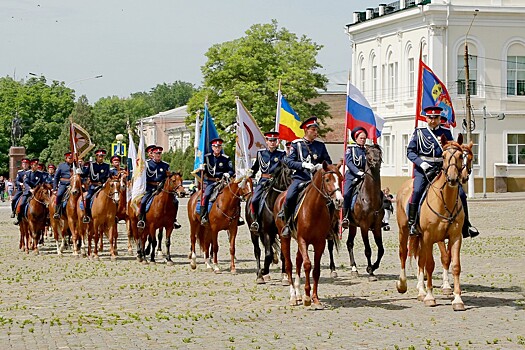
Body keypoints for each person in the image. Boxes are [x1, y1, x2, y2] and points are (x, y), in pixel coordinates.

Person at [407, 106, 479, 238]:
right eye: (430, 118)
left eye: (436, 118)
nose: (433, 120)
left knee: (461, 194)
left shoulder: (446, 132)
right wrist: (421, 163)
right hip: (423, 169)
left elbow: (453, 149)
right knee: (417, 190)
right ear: (426, 118)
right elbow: (410, 152)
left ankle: (466, 225)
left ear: (440, 119)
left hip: (442, 168)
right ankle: (412, 223)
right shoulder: (419, 133)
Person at [279, 116, 332, 237]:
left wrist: (321, 166)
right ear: (306, 130)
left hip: (317, 181)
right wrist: (303, 165)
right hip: (301, 178)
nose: (315, 132)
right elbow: (289, 161)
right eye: (313, 129)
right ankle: (288, 223)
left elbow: (328, 161)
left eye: (316, 130)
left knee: (331, 199)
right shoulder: (296, 144)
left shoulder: (320, 146)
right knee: (290, 197)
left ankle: (330, 226)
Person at [249, 131, 286, 233]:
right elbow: (256, 167)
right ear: (266, 141)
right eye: (270, 140)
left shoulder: (281, 154)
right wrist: (250, 173)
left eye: (274, 141)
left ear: (277, 142)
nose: (272, 143)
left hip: (277, 181)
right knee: (254, 199)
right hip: (264, 180)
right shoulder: (261, 153)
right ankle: (255, 221)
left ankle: (288, 221)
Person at [137, 146, 177, 228]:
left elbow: (168, 177)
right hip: (150, 188)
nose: (158, 155)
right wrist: (153, 183)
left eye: (159, 153)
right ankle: (142, 219)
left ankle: (173, 220)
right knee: (143, 201)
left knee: (175, 202)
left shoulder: (165, 165)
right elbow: (143, 177)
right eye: (156, 153)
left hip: (162, 189)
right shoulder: (147, 164)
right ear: (152, 154)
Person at [199, 138, 235, 225]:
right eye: (215, 147)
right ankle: (204, 215)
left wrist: (228, 174)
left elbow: (231, 170)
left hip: (224, 181)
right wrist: (201, 168)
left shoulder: (226, 158)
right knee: (207, 195)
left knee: (234, 195)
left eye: (219, 146)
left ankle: (236, 217)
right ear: (212, 148)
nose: (217, 148)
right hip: (211, 181)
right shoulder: (207, 158)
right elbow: (204, 171)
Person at [341, 126, 368, 229]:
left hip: (366, 176)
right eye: (361, 138)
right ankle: (345, 216)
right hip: (352, 176)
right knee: (347, 194)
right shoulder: (350, 149)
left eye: (364, 138)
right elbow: (349, 162)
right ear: (356, 138)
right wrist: (357, 172)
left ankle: (380, 216)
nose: (363, 140)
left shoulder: (367, 150)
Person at [81, 149, 111, 223]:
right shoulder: (91, 165)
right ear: (96, 157)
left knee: (113, 198)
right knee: (88, 197)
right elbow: (85, 174)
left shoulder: (106, 166)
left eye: (102, 156)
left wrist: (105, 182)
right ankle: (87, 215)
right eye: (99, 156)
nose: (101, 158)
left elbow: (107, 175)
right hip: (93, 185)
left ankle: (114, 215)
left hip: (103, 186)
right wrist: (80, 171)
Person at [14, 159, 45, 225]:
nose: (36, 166)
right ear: (31, 166)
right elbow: (26, 183)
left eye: (37, 165)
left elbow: (42, 182)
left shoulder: (40, 174)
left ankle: (46, 218)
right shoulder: (27, 173)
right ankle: (19, 217)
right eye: (35, 165)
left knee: (46, 203)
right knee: (21, 204)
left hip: (38, 192)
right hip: (28, 192)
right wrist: (30, 189)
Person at [53, 152, 75, 219]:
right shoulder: (61, 166)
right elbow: (56, 177)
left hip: (74, 184)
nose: (71, 159)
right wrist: (55, 188)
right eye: (69, 158)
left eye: (72, 158)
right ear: (66, 159)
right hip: (64, 184)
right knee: (59, 195)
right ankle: (57, 212)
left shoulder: (76, 165)